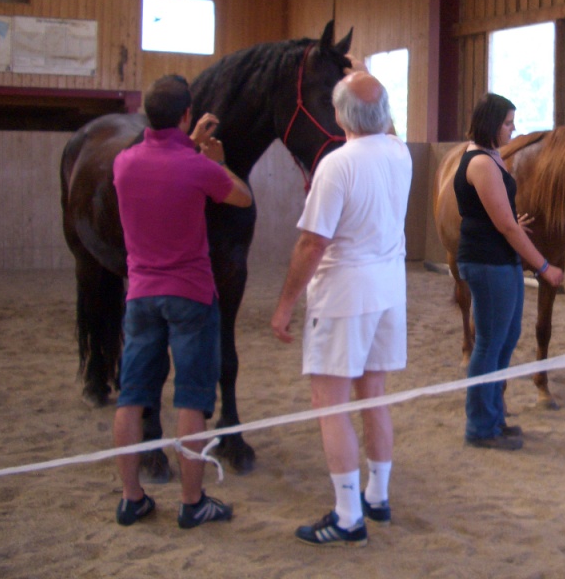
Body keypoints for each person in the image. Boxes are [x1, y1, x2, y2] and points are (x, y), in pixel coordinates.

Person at [270, 71, 412, 548]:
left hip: (345, 293)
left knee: (329, 403)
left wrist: (285, 304)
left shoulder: (336, 164)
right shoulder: (400, 152)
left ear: (338, 115)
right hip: (389, 288)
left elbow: (312, 243)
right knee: (374, 393)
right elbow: (386, 128)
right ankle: (378, 494)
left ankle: (349, 515)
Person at [111, 74, 253, 528]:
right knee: (191, 400)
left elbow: (162, 167)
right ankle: (192, 502)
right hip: (190, 295)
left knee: (131, 398)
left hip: (140, 296)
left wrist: (188, 144)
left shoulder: (123, 163)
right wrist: (218, 161)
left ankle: (132, 498)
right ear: (187, 114)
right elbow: (242, 198)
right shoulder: (198, 167)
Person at [455, 93, 564, 451]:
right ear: (490, 124)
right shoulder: (481, 163)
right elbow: (505, 226)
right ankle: (480, 426)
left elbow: (497, 215)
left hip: (500, 259)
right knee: (489, 343)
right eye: (507, 123)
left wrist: (509, 222)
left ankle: (494, 416)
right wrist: (544, 266)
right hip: (487, 261)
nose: (512, 129)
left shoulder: (491, 156)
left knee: (506, 337)